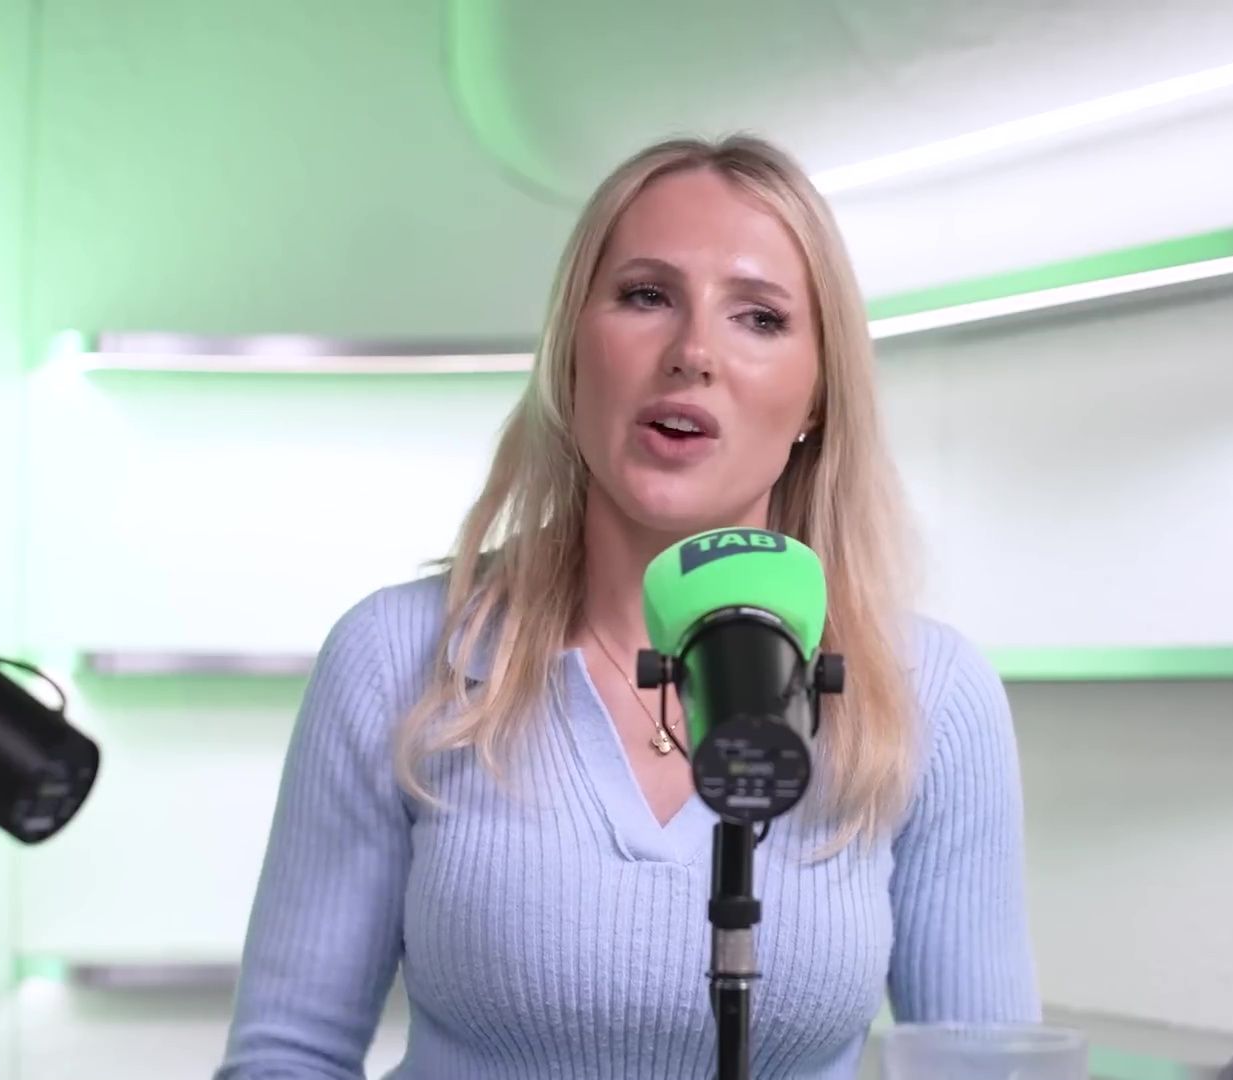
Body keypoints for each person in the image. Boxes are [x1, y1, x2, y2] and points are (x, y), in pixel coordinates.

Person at [215, 133, 1038, 1080]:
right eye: (647, 296)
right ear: (572, 349)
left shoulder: (930, 692)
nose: (692, 354)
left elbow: (993, 1070)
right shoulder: (397, 655)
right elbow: (287, 1057)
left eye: (759, 317)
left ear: (818, 394)